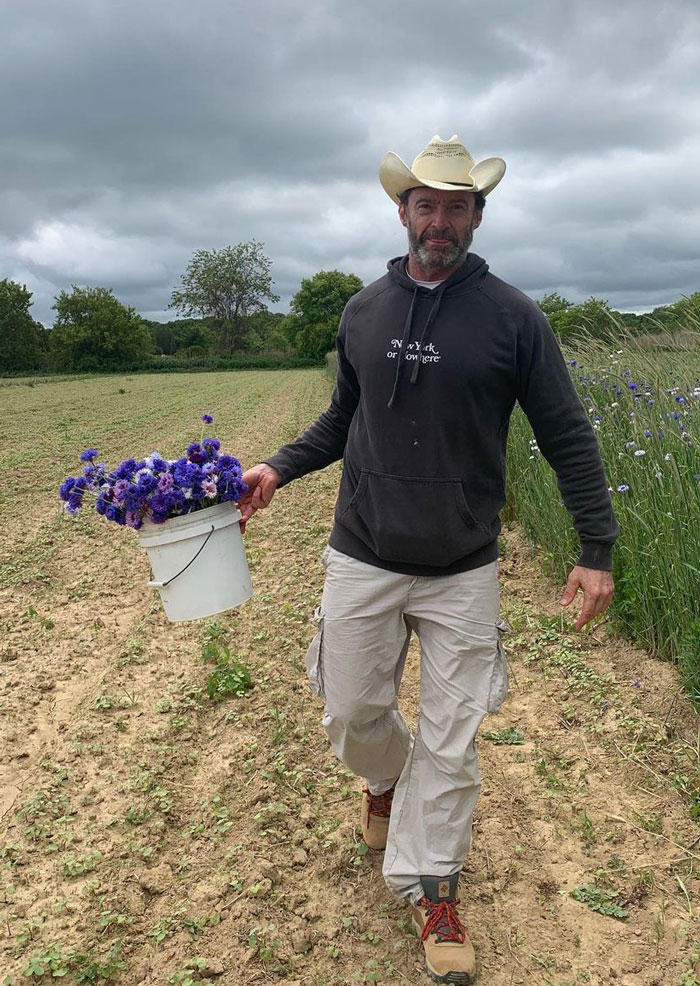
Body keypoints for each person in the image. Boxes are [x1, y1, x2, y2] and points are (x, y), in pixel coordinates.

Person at [239, 134, 618, 985]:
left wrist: (595, 547)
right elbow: (344, 418)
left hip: (463, 566)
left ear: (477, 216)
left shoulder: (515, 318)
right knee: (350, 712)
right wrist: (276, 466)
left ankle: (431, 887)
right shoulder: (364, 310)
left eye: (456, 206)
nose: (439, 220)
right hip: (363, 551)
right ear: (402, 210)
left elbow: (567, 436)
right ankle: (384, 782)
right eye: (426, 203)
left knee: (453, 742)